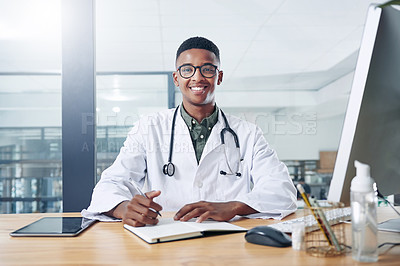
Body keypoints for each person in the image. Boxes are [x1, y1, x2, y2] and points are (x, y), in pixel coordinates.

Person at [82, 37, 297, 226]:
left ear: (218, 77)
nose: (197, 77)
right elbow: (110, 184)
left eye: (207, 69)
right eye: (187, 69)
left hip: (228, 242)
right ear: (176, 78)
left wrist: (234, 207)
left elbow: (282, 190)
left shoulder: (248, 133)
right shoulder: (149, 127)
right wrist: (124, 208)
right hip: (165, 238)